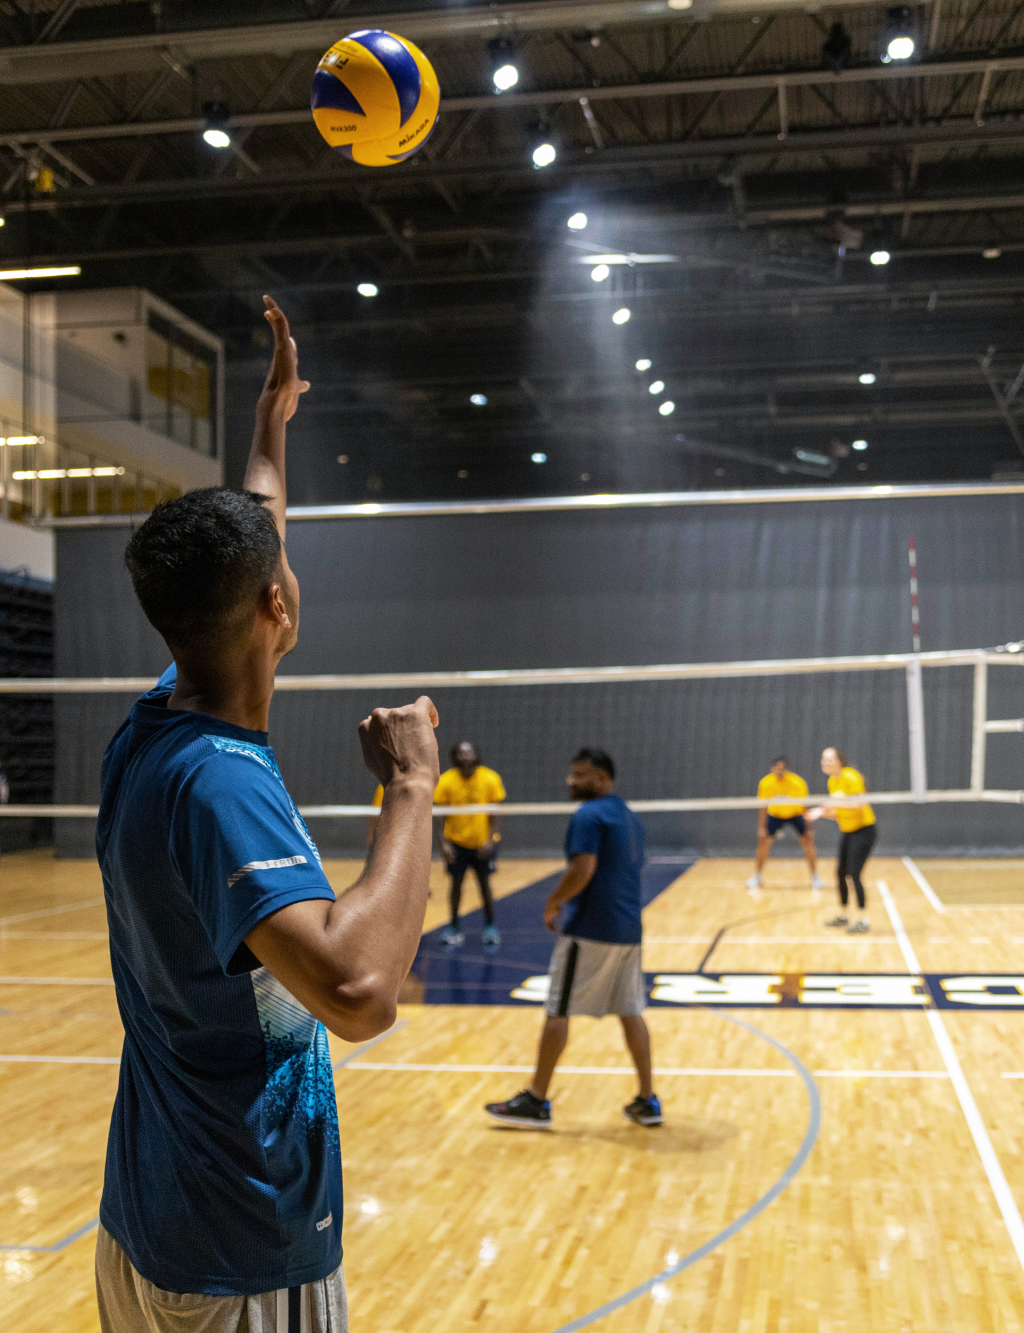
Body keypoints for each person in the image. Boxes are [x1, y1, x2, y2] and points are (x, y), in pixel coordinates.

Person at [95, 294, 439, 1333]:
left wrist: (270, 425)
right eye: (281, 572)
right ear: (272, 611)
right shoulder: (218, 781)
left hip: (152, 1219)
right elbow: (360, 988)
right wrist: (410, 787)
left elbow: (252, 537)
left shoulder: (157, 717)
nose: (290, 572)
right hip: (238, 1242)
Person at [485, 748, 659, 1131]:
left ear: (601, 777)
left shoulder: (588, 815)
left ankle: (536, 1100)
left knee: (557, 1009)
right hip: (629, 930)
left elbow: (583, 870)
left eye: (580, 775)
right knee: (631, 1011)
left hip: (591, 929)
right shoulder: (629, 816)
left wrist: (553, 901)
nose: (571, 781)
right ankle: (648, 1100)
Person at [434, 741, 505, 949]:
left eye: (469, 752)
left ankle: (490, 927)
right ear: (455, 756)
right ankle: (454, 927)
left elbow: (495, 813)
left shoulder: (490, 778)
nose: (466, 756)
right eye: (462, 753)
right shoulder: (446, 780)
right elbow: (439, 816)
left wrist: (490, 839)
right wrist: (444, 844)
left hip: (482, 845)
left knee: (485, 886)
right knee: (455, 886)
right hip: (456, 844)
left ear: (476, 755)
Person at [807, 746, 876, 934]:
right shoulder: (832, 782)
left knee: (854, 873)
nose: (825, 762)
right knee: (840, 873)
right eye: (823, 759)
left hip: (864, 831)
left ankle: (863, 919)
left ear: (839, 761)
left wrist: (826, 808)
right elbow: (840, 811)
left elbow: (861, 804)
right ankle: (843, 915)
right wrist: (821, 813)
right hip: (848, 832)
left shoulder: (850, 777)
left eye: (829, 759)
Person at [747, 756, 823, 891]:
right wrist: (762, 828)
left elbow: (805, 805)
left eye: (782, 768)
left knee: (808, 842)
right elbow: (763, 807)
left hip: (796, 815)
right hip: (775, 815)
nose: (779, 771)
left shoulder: (797, 782)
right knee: (763, 843)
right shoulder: (766, 783)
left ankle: (815, 877)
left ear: (786, 769)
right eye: (777, 768)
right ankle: (757, 877)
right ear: (772, 769)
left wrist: (809, 828)